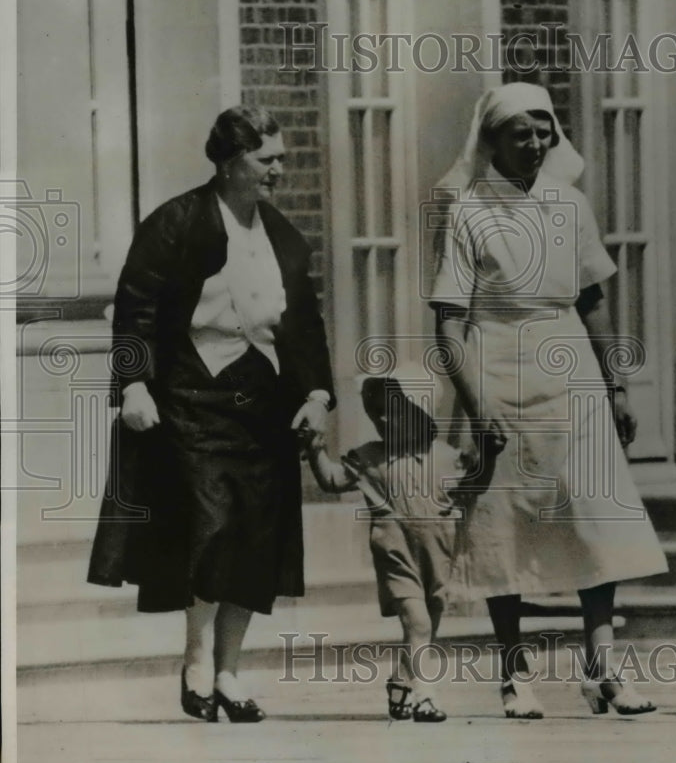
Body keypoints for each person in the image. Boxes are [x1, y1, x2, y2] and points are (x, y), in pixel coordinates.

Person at [429, 82, 669, 719]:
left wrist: (615, 383)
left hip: (572, 375)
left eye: (543, 131)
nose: (535, 144)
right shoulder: (465, 211)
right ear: (492, 140)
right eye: (520, 133)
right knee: (503, 524)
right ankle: (514, 674)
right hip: (497, 371)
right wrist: (477, 407)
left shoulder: (572, 205)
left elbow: (591, 302)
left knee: (596, 517)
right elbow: (448, 325)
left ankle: (603, 669)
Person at [88, 106, 335, 722]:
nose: (279, 169)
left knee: (255, 536)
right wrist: (134, 386)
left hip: (263, 402)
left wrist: (317, 396)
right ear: (230, 163)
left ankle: (229, 672)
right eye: (266, 159)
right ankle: (197, 661)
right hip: (192, 395)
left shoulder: (282, 235)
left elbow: (303, 326)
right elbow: (136, 308)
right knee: (211, 529)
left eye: (280, 158)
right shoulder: (176, 222)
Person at [305, 363, 474, 723]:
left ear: (422, 413)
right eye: (376, 408)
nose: (381, 417)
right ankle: (425, 695)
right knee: (419, 623)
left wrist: (487, 454)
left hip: (439, 558)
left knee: (424, 627)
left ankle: (400, 679)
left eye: (393, 410)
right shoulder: (369, 457)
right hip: (395, 555)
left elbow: (476, 486)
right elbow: (333, 481)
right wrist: (316, 451)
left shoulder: (447, 457)